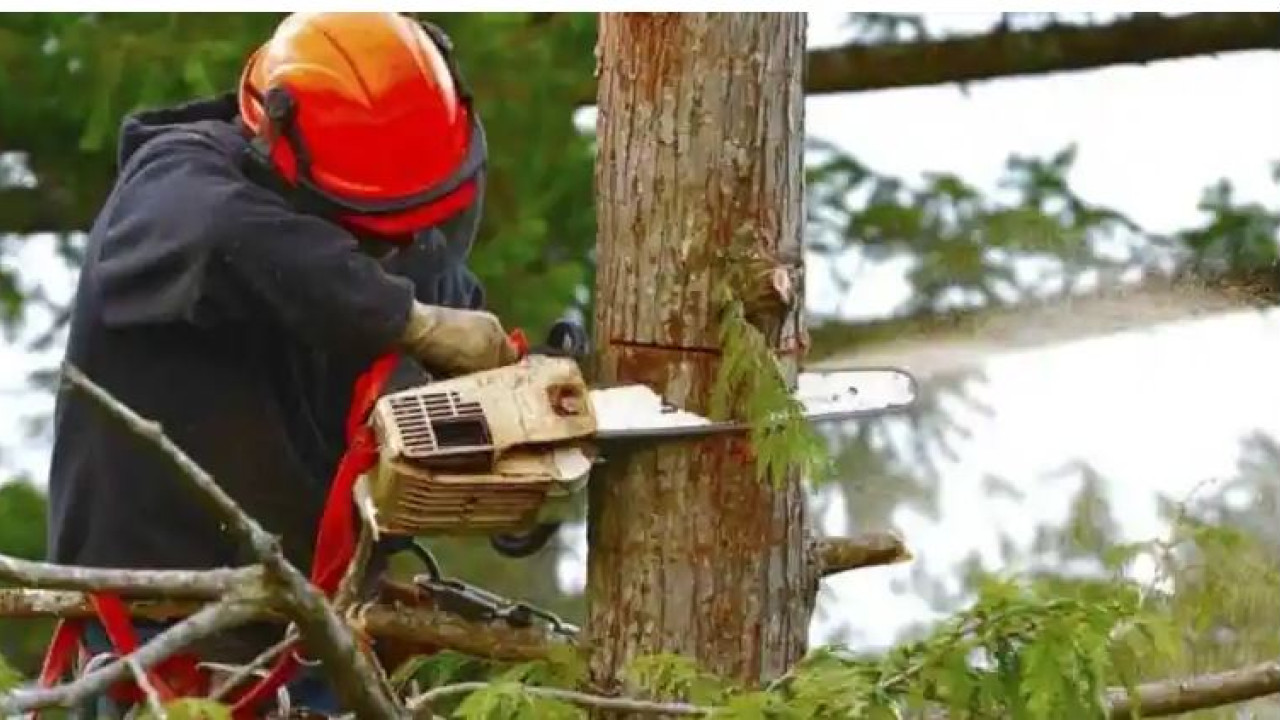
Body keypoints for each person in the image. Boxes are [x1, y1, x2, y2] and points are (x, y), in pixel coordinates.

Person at [42, 12, 518, 717]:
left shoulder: (411, 248)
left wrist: (523, 451)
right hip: (164, 650)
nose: (400, 253)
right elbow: (224, 235)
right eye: (371, 236)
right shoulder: (176, 191)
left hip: (324, 654)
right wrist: (412, 321)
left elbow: (463, 387)